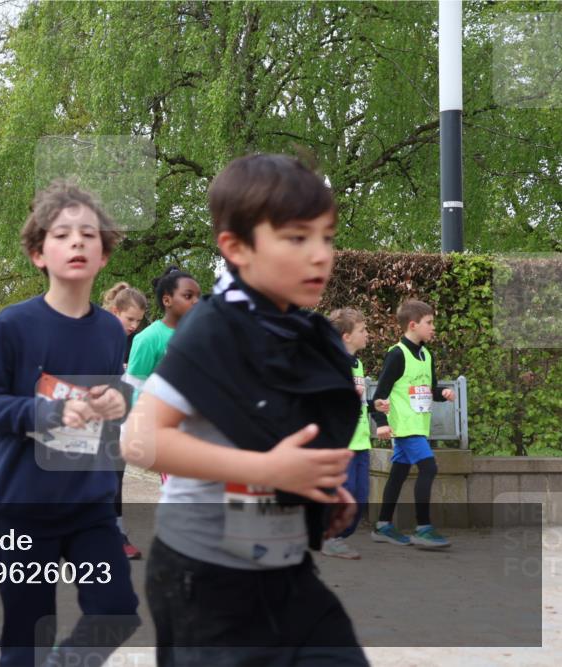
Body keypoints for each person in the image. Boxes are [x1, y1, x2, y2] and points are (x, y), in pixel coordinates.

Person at [121, 153, 367, 666]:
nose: (321, 254)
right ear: (236, 247)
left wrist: (311, 488)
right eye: (298, 238)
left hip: (285, 569)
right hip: (204, 581)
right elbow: (139, 441)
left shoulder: (295, 330)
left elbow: (264, 430)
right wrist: (268, 469)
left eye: (327, 236)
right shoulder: (212, 328)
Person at [0, 180, 140, 667]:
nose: (78, 242)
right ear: (37, 253)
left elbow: (110, 398)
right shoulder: (14, 324)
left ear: (105, 254)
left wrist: (116, 402)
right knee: (28, 637)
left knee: (117, 613)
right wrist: (46, 414)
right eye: (62, 234)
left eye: (89, 234)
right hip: (26, 506)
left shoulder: (110, 330)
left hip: (90, 504)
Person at [370, 299, 456, 549]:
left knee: (398, 474)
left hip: (419, 426)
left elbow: (428, 389)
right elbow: (380, 395)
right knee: (428, 468)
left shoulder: (426, 354)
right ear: (412, 324)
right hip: (405, 428)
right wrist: (381, 423)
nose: (433, 328)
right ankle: (423, 528)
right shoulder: (397, 354)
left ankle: (383, 525)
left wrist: (443, 394)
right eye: (429, 323)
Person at [127, 266, 200, 487]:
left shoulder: (199, 333)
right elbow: (133, 387)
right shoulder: (148, 339)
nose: (195, 302)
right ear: (167, 300)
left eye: (197, 296)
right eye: (188, 296)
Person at [322, 308, 375, 560]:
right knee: (347, 494)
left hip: (361, 441)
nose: (368, 334)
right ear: (346, 336)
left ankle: (334, 536)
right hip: (341, 444)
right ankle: (329, 537)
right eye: (362, 330)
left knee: (361, 498)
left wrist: (376, 407)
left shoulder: (358, 364)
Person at [101, 281, 149, 559]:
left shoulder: (125, 339)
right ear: (116, 311)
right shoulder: (95, 331)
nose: (134, 325)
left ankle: (117, 532)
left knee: (115, 476)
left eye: (138, 321)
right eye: (130, 319)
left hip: (116, 417)